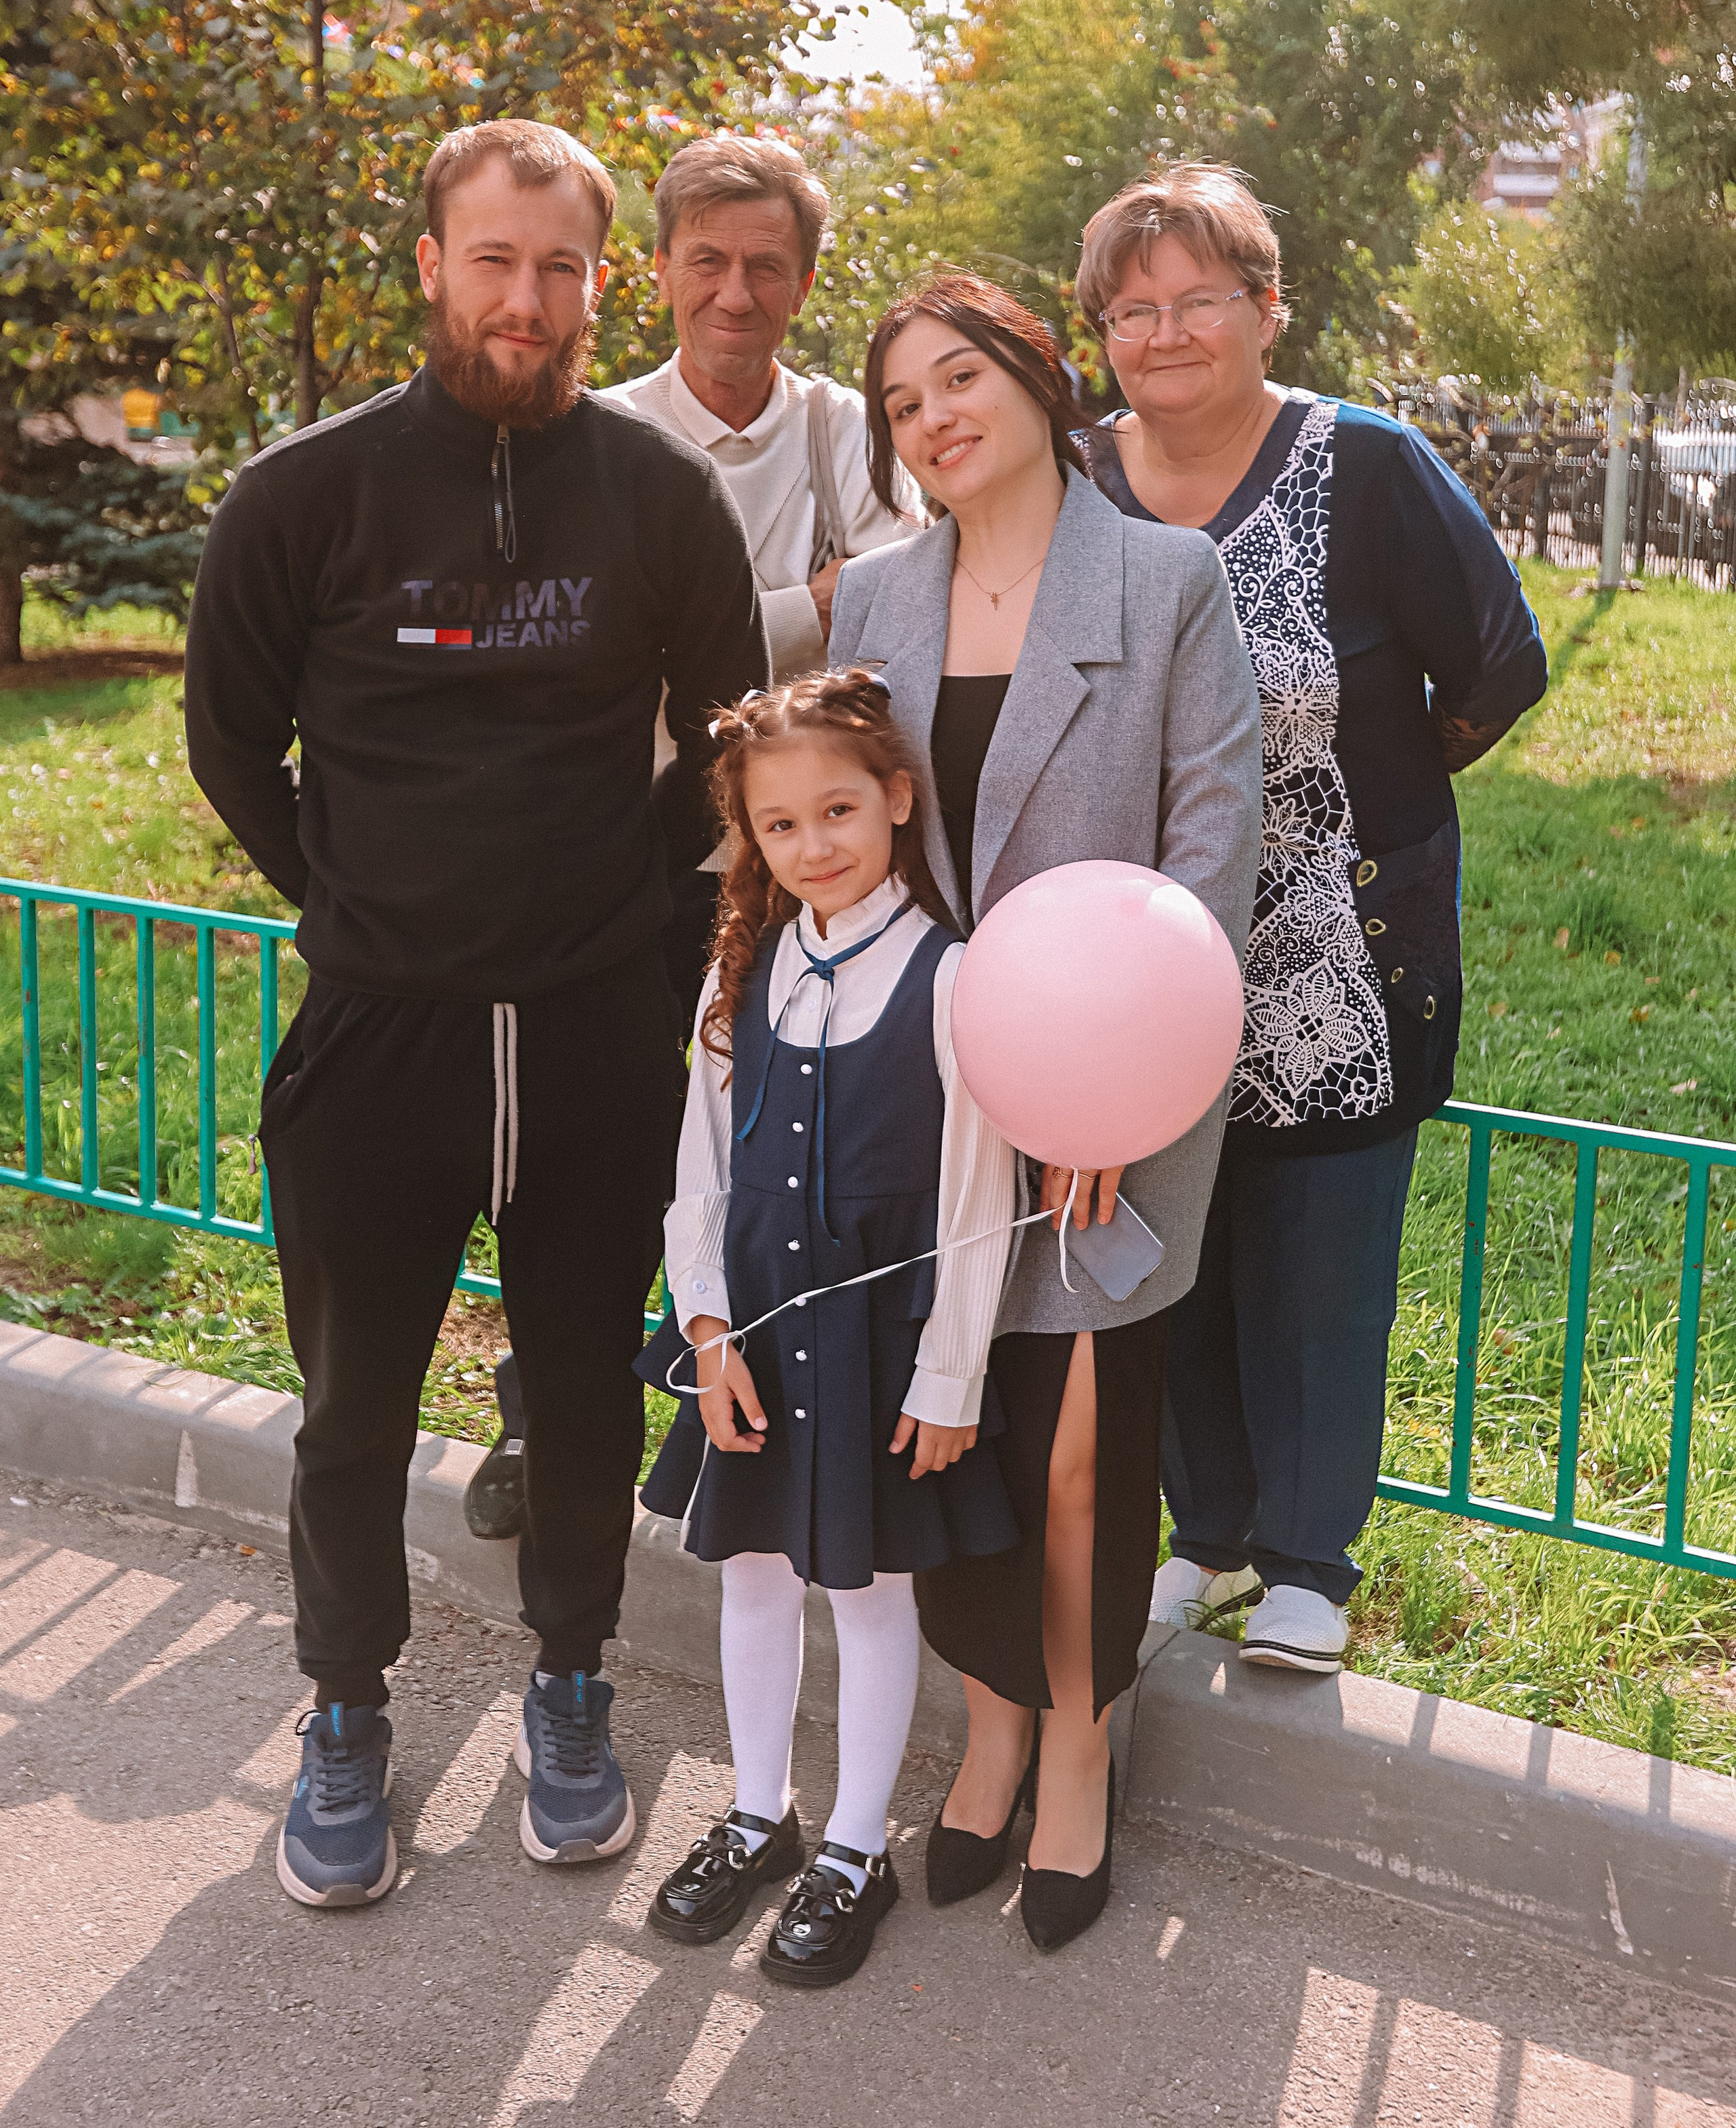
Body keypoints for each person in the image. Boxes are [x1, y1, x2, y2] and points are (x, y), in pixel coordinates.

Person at [183, 119, 769, 1908]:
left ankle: (571, 1687)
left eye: (560, 267)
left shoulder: (659, 497)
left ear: (600, 285)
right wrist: (359, 902)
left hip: (595, 1034)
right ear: (433, 264)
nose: (529, 297)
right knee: (353, 1409)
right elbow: (231, 741)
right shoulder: (305, 495)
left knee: (583, 1396)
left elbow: (730, 734)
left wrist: (632, 911)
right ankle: (345, 1712)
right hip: (382, 1042)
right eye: (497, 260)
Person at [830, 273, 1263, 1953]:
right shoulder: (879, 595)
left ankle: (1076, 1740)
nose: (931, 418)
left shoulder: (1161, 579)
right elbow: (846, 835)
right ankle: (990, 1723)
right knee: (952, 1423)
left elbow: (1210, 842)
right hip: (934, 1087)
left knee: (1080, 1440)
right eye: (899, 403)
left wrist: (1112, 1086)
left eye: (958, 378)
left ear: (1032, 378)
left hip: (1113, 1082)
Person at [1073, 162, 1547, 1674]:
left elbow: (1498, 662)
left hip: (1334, 935)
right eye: (1130, 310)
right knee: (1165, 1240)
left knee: (1321, 1257)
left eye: (1197, 299)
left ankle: (1305, 1565)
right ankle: (1202, 1534)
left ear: (1267, 308)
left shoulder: (1369, 465)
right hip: (1131, 942)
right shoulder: (1072, 479)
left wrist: (1363, 790)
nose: (1163, 333)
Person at [464, 133, 917, 1542]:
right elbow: (603, 648)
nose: (735, 292)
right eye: (706, 261)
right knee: (595, 1154)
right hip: (623, 864)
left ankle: (735, 1415)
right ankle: (546, 1413)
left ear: (804, 282)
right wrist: (798, 607)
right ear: (653, 271)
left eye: (766, 266)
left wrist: (734, 627)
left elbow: (896, 616)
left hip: (803, 877)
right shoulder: (592, 433)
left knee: (778, 1160)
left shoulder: (849, 431)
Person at [633, 669, 1020, 1987]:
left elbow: (978, 1201)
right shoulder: (740, 968)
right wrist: (706, 1329)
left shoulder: (952, 980)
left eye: (838, 810)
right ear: (752, 835)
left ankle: (856, 1846)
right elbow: (700, 1168)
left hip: (875, 1344)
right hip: (747, 1330)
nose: (814, 845)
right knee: (750, 1570)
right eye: (780, 824)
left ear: (897, 799)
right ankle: (759, 1813)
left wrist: (950, 1375)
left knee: (864, 1586)